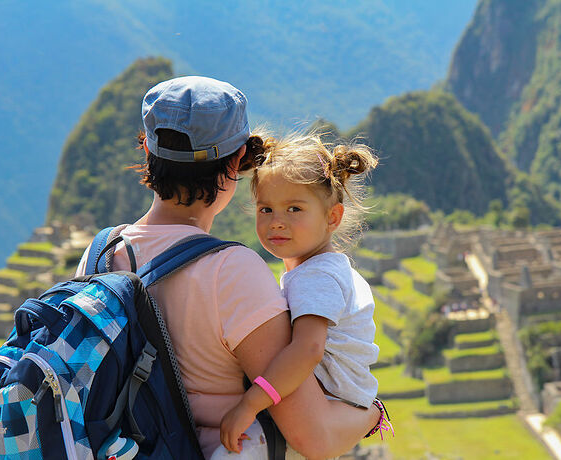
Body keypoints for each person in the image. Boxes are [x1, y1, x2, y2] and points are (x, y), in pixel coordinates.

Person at [75, 76, 380, 459]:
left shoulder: (101, 253)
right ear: (238, 161)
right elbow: (314, 438)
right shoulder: (232, 272)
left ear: (148, 152)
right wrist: (371, 412)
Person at [214, 133, 393, 458]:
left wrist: (250, 404)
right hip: (334, 404)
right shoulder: (320, 269)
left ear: (332, 218)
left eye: (294, 208)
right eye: (266, 209)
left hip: (329, 406)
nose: (276, 222)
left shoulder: (316, 276)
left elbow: (308, 348)